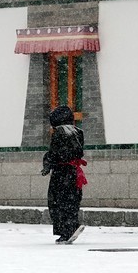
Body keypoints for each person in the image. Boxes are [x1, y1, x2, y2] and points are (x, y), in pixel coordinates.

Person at [41, 104, 87, 244]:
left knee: (57, 202)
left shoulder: (59, 133)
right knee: (71, 200)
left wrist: (47, 164)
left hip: (61, 173)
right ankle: (72, 225)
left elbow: (54, 154)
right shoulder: (78, 132)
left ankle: (65, 231)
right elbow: (78, 152)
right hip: (74, 172)